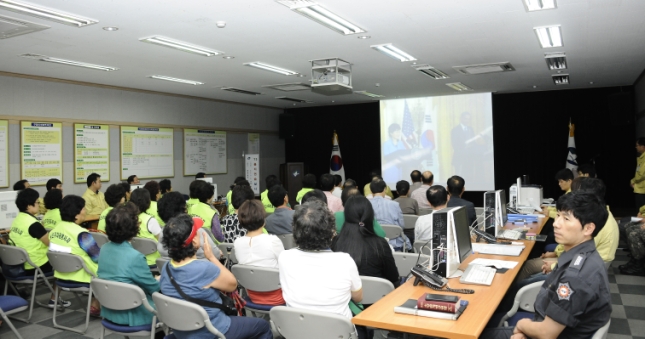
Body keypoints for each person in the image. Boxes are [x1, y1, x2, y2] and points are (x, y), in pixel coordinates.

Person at [481, 191, 611, 339]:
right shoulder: (586, 256)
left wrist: (522, 325)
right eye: (558, 216)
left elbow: (547, 333)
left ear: (588, 229)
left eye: (566, 219)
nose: (556, 223)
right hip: (545, 325)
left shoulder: (575, 277)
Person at [159, 214, 273, 339]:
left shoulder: (166, 269)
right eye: (197, 232)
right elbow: (232, 284)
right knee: (263, 326)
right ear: (195, 241)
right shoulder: (204, 269)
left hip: (181, 331)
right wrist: (211, 257)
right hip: (213, 329)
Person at [278, 200, 366, 338]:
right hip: (337, 333)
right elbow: (358, 297)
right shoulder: (344, 261)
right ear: (331, 232)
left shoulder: (284, 257)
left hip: (297, 331)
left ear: (295, 231)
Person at [515, 177, 619, 282]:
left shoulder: (593, 223)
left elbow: (578, 257)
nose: (556, 224)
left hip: (578, 271)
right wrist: (556, 253)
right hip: (578, 265)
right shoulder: (600, 215)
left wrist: (554, 265)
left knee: (526, 270)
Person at [98, 202, 160, 326]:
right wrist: (158, 280)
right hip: (133, 314)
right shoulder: (135, 257)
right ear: (132, 228)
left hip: (109, 311)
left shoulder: (104, 249)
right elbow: (154, 289)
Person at [9, 188, 71, 308]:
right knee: (62, 263)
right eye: (37, 202)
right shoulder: (33, 224)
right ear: (29, 206)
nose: (39, 204)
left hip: (19, 265)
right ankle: (54, 299)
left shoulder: (17, 220)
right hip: (35, 265)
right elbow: (51, 244)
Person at [48, 195, 101, 315]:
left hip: (61, 276)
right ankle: (97, 304)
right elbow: (98, 257)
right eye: (83, 208)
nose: (85, 210)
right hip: (83, 277)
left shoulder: (54, 231)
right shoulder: (81, 234)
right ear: (76, 214)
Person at [331, 196, 399, 288]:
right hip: (379, 298)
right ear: (370, 215)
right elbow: (393, 277)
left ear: (346, 216)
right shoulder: (381, 244)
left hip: (346, 299)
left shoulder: (335, 242)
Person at [234, 200, 286, 305]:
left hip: (252, 296)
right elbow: (285, 266)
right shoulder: (273, 241)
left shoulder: (237, 243)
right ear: (263, 219)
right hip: (277, 296)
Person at [156, 191, 220, 260]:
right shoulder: (195, 231)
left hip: (170, 269)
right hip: (200, 269)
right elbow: (216, 255)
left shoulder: (162, 232)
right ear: (184, 208)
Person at [369, 179, 410, 251]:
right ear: (384, 189)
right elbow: (401, 226)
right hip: (394, 244)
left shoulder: (366, 205)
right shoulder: (394, 205)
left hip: (372, 244)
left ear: (371, 190)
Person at [130, 189, 162, 266]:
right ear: (148, 202)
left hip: (134, 261)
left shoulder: (127, 218)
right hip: (153, 262)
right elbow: (162, 240)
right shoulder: (150, 220)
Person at [451, 112, 475, 177]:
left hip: (469, 158)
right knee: (459, 178)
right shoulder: (455, 130)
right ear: (461, 119)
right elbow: (454, 144)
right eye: (465, 119)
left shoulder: (471, 129)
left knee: (469, 177)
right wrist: (465, 146)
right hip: (459, 157)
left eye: (469, 119)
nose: (467, 121)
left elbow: (473, 141)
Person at [632, 137, 645, 208]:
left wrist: (633, 181)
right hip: (640, 188)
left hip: (642, 189)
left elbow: (642, 174)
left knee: (641, 212)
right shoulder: (641, 157)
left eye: (637, 145)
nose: (636, 147)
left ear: (642, 147)